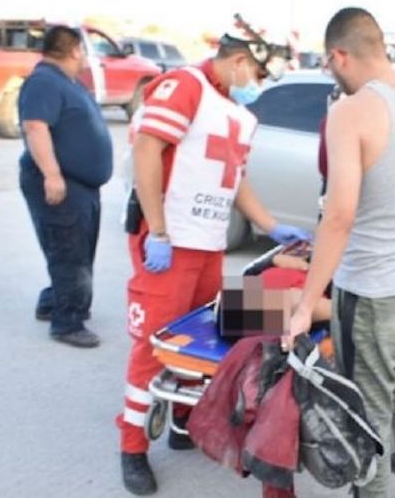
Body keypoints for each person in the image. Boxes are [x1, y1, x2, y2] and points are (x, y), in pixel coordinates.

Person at [119, 28, 309, 496]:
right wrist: (158, 231)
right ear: (240, 58)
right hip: (171, 240)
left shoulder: (239, 114)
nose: (258, 82)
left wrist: (270, 224)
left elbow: (235, 177)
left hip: (206, 243)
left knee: (198, 342)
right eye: (258, 72)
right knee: (154, 345)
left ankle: (185, 418)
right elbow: (148, 149)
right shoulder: (184, 86)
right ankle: (132, 445)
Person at [285, 7, 395, 498]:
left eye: (329, 64)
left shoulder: (353, 110)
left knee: (369, 415)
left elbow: (339, 217)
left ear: (340, 54)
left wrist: (304, 305)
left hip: (373, 290)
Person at [18, 26, 112, 349]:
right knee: (69, 253)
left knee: (78, 251)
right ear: (74, 50)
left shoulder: (67, 82)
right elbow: (35, 126)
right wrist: (52, 174)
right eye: (83, 50)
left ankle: (53, 301)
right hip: (62, 184)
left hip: (81, 185)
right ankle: (67, 321)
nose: (85, 57)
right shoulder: (44, 81)